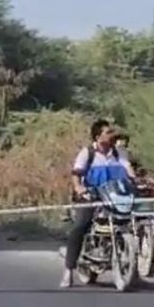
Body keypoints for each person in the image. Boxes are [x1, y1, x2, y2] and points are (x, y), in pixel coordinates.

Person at [60, 118, 135, 288]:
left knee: (131, 222)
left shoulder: (118, 153)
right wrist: (79, 188)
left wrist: (134, 180)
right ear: (98, 137)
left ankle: (132, 271)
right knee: (80, 227)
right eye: (108, 132)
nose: (112, 135)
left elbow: (128, 169)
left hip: (115, 196)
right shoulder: (87, 153)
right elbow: (76, 174)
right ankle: (68, 270)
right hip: (91, 196)